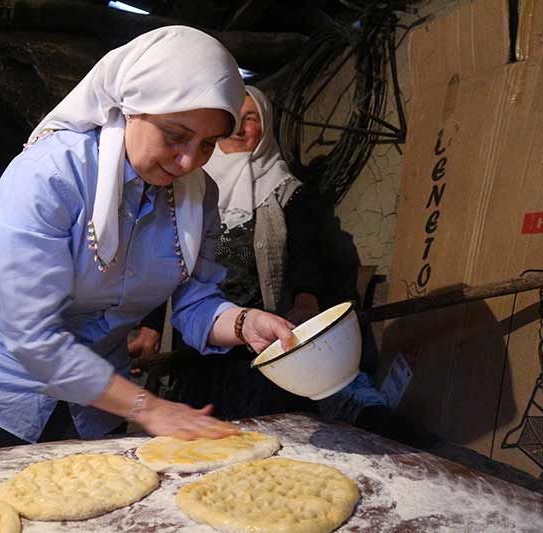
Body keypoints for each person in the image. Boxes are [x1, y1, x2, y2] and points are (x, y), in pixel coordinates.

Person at [0, 26, 297, 452]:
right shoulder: (52, 174)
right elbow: (32, 337)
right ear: (131, 106)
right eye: (176, 136)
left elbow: (193, 300)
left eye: (207, 145)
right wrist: (149, 408)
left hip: (101, 399)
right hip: (0, 382)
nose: (187, 162)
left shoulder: (199, 196)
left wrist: (244, 323)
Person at [130, 86, 389, 424]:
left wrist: (305, 298)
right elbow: (166, 261)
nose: (240, 128)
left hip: (263, 341)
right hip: (198, 342)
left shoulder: (286, 193)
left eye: (250, 119)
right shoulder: (186, 190)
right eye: (234, 119)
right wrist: (150, 327)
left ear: (266, 127)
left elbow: (307, 253)